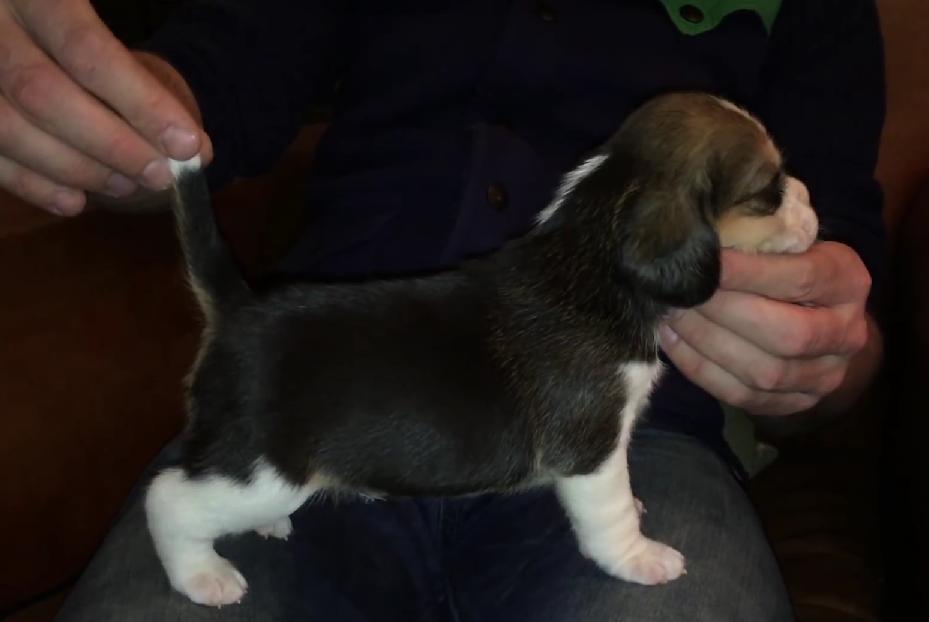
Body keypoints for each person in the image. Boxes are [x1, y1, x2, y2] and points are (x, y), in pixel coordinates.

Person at [0, 0, 885, 620]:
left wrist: (828, 351)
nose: (788, 201)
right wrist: (107, 108)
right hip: (345, 387)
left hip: (655, 442)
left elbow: (846, 260)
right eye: (773, 190)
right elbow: (215, 78)